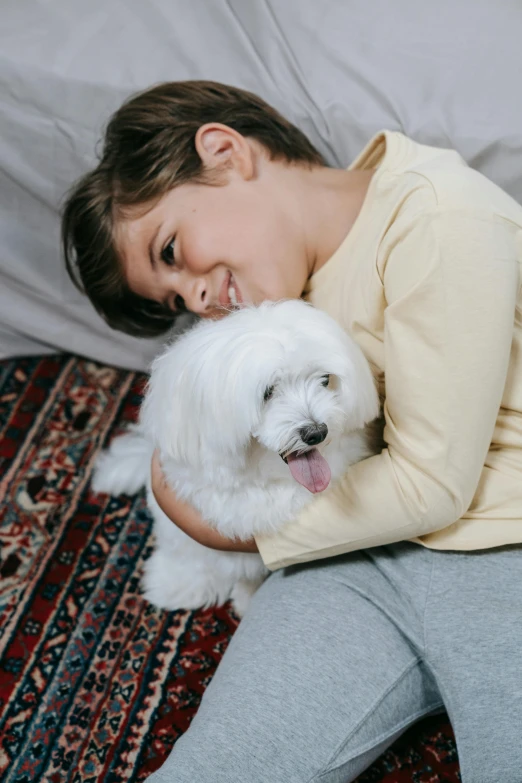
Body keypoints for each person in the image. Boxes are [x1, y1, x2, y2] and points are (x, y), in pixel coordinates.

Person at [62, 81, 522, 782]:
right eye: (179, 300)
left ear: (224, 152)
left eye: (173, 251)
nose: (200, 299)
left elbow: (431, 485)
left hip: (500, 541)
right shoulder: (275, 299)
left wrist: (230, 531)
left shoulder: (437, 216)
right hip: (348, 555)